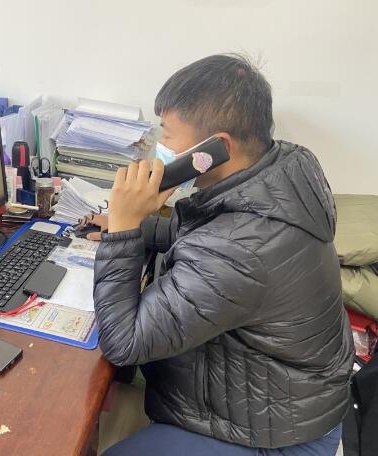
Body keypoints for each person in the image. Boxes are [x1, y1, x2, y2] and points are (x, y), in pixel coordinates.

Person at [86, 54, 354, 455]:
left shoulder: (240, 250)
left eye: (168, 135)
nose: (160, 148)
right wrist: (136, 226)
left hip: (278, 435)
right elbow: (208, 230)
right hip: (285, 397)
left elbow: (123, 342)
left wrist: (124, 230)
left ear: (217, 148)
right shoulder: (281, 169)